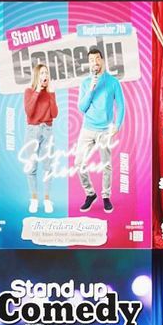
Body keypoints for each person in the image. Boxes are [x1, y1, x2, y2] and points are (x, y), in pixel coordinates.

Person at [72, 45, 123, 215]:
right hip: (87, 129)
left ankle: (106, 196)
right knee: (78, 163)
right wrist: (91, 88)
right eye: (91, 60)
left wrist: (117, 124)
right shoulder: (86, 83)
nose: (94, 62)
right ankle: (90, 193)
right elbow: (82, 107)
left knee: (106, 165)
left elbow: (121, 106)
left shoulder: (113, 82)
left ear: (102, 60)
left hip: (105, 131)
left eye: (97, 59)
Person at [21, 61, 59, 214]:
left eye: (47, 73)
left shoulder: (50, 92)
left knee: (48, 167)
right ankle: (34, 199)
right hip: (32, 131)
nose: (45, 76)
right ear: (37, 75)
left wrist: (50, 94)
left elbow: (55, 114)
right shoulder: (29, 91)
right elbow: (29, 112)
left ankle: (48, 199)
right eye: (42, 73)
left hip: (48, 130)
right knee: (32, 167)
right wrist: (37, 91)